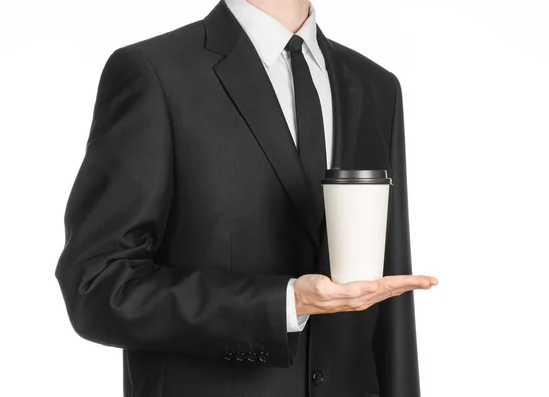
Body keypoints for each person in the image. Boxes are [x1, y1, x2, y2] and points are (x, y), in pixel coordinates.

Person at [54, 0, 438, 396]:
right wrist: (282, 304)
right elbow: (97, 287)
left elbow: (388, 295)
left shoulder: (376, 86)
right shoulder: (155, 71)